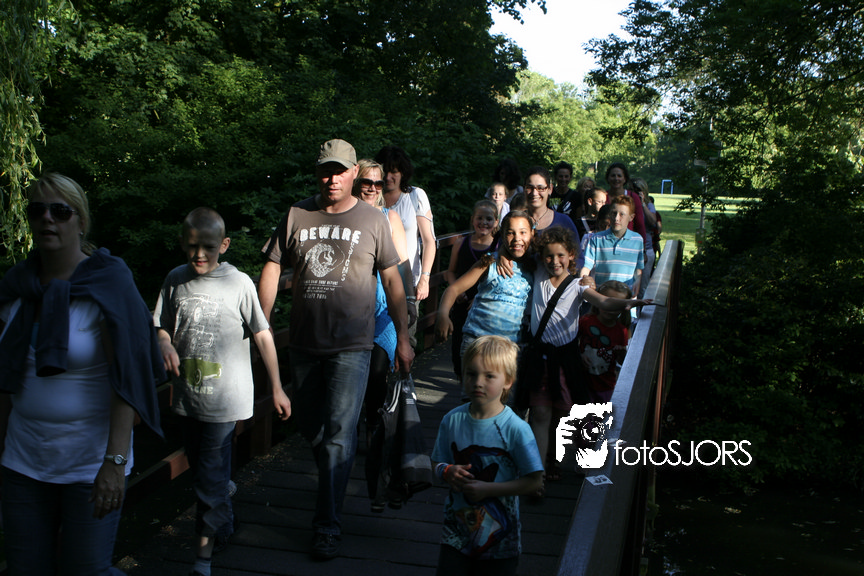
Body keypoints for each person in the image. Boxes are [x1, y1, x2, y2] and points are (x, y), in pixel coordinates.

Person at [0, 173, 164, 575]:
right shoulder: (16, 287)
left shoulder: (106, 284)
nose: (47, 219)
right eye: (37, 210)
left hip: (88, 466)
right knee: (25, 569)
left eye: (60, 211)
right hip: (23, 461)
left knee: (85, 569)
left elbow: (126, 378)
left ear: (81, 221)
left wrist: (115, 462)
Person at [258, 139, 413, 560]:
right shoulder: (296, 214)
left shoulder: (373, 219)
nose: (332, 178)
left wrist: (403, 336)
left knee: (339, 436)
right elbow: (273, 265)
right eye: (326, 170)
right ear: (317, 172)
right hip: (304, 343)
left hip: (353, 345)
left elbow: (393, 280)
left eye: (340, 171)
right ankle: (334, 473)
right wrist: (262, 321)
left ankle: (327, 524)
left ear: (353, 173)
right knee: (312, 426)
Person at [154, 207, 291, 576]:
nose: (200, 255)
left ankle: (203, 560)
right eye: (192, 246)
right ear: (183, 242)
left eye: (209, 247)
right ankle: (223, 515)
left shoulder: (239, 283)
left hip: (225, 400)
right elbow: (161, 325)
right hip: (188, 398)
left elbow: (263, 334)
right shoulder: (175, 280)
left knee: (209, 480)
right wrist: (164, 343)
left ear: (224, 245)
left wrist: (277, 387)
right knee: (202, 472)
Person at [522, 227, 651, 489]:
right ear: (542, 257)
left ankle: (553, 459)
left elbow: (604, 302)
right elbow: (522, 246)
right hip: (539, 358)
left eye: (561, 255)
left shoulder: (577, 286)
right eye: (549, 256)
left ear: (571, 256)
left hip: (564, 361)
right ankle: (538, 473)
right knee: (540, 413)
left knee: (561, 414)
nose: (554, 261)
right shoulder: (539, 273)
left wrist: (633, 303)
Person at [431, 335, 544, 575]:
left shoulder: (516, 429)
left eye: (489, 376)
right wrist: (447, 471)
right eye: (471, 374)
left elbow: (535, 482)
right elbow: (436, 462)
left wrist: (488, 489)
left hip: (500, 541)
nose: (478, 382)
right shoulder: (452, 420)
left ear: (508, 381)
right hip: (455, 534)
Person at [351, 159, 413, 447]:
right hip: (352, 309)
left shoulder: (390, 217)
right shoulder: (346, 216)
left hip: (384, 306)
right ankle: (350, 431)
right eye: (367, 182)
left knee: (377, 371)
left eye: (378, 183)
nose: (373, 188)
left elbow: (402, 264)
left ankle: (373, 429)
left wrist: (409, 301)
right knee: (351, 374)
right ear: (356, 182)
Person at [435, 211, 535, 357]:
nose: (517, 238)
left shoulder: (535, 266)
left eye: (523, 232)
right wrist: (443, 314)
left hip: (510, 350)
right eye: (510, 233)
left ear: (532, 233)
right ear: (502, 235)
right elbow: (454, 289)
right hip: (477, 343)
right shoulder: (490, 262)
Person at [444, 199, 500, 381]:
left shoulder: (498, 248)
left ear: (496, 222)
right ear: (472, 219)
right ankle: (462, 379)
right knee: (458, 350)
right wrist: (457, 292)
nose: (484, 222)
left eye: (489, 219)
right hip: (462, 304)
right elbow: (450, 271)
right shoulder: (461, 243)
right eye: (480, 218)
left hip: (485, 307)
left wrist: (481, 297)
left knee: (482, 352)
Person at [375, 146, 436, 311]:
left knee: (407, 325)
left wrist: (425, 278)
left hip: (408, 282)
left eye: (394, 172)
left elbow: (429, 241)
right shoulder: (372, 197)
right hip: (377, 283)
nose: (388, 177)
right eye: (384, 171)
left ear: (403, 173)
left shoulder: (415, 196)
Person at [578, 281, 634, 402]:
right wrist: (580, 355)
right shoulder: (585, 321)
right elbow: (573, 343)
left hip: (606, 387)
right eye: (608, 303)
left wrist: (621, 353)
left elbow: (622, 362)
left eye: (616, 305)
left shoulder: (622, 331)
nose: (610, 309)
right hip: (581, 383)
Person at [579, 195, 645, 298]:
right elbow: (586, 266)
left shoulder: (637, 240)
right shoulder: (597, 239)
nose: (616, 218)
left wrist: (637, 283)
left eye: (622, 214)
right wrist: (585, 281)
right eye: (614, 213)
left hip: (626, 298)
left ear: (631, 217)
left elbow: (638, 269)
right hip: (602, 298)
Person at [523, 166, 578, 237]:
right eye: (529, 188)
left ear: (550, 189)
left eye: (540, 188)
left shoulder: (564, 221)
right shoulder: (515, 220)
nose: (534, 193)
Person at [604, 162, 647, 249]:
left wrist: (643, 247)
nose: (616, 178)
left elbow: (640, 224)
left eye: (619, 176)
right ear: (608, 178)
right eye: (613, 175)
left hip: (628, 244)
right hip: (605, 243)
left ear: (624, 179)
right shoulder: (603, 196)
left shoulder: (633, 197)